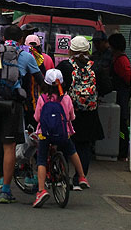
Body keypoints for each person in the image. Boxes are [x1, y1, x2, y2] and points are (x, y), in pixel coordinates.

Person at [0, 24, 40, 204]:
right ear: (21, 39)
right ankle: (5, 191)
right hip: (12, 104)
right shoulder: (25, 55)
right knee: (9, 146)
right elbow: (40, 79)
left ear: (3, 37)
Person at [31, 69, 89, 208]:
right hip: (64, 133)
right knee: (72, 151)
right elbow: (71, 117)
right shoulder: (66, 98)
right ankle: (81, 176)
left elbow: (37, 117)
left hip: (45, 134)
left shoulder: (42, 98)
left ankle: (41, 190)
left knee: (42, 160)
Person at [56, 35, 104, 190]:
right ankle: (79, 179)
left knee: (65, 144)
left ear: (70, 50)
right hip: (90, 113)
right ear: (88, 50)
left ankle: (61, 177)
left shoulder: (65, 66)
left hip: (69, 112)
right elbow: (107, 85)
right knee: (84, 147)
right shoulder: (96, 67)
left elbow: (57, 86)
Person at [109, 32, 131, 160]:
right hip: (118, 96)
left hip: (122, 96)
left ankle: (123, 152)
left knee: (122, 125)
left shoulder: (121, 60)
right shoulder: (117, 59)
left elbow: (128, 78)